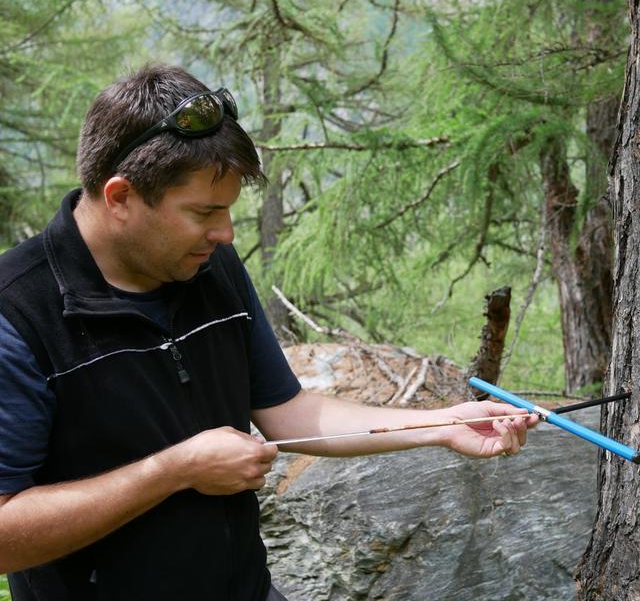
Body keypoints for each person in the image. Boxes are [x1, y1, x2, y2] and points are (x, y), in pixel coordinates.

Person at [0, 64, 536, 601]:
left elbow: (289, 413)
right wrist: (174, 470)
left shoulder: (211, 269)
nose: (225, 233)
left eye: (230, 211)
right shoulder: (19, 316)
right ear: (120, 198)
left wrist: (442, 424)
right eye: (204, 212)